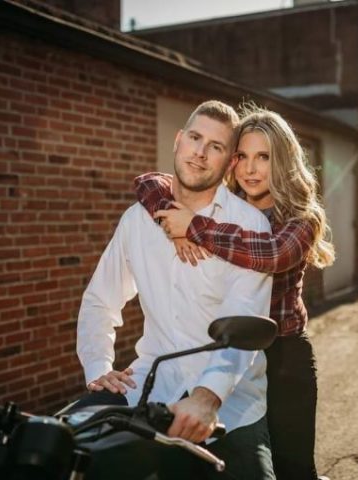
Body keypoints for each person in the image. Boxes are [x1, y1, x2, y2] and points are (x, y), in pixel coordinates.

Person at [76, 100, 276, 479]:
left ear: (230, 162)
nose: (200, 153)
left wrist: (206, 397)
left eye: (215, 147)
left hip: (232, 406)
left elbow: (243, 324)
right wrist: (99, 366)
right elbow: (100, 300)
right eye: (195, 139)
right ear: (178, 141)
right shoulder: (137, 220)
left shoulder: (248, 227)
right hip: (152, 388)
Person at [134, 106, 335, 480]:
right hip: (231, 353)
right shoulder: (224, 207)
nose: (250, 169)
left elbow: (270, 253)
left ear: (284, 161)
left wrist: (192, 227)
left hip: (283, 357)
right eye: (242, 156)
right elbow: (148, 182)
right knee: (232, 462)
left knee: (293, 468)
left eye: (264, 157)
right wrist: (169, 216)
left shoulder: (301, 218)